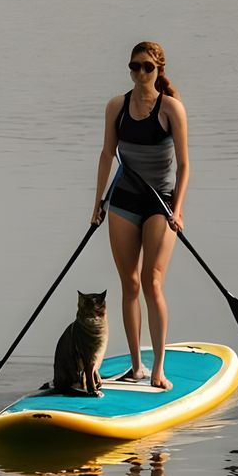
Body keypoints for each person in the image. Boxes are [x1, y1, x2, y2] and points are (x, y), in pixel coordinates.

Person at [92, 41, 189, 389]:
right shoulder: (116, 106)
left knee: (152, 281)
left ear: (159, 70)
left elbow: (185, 166)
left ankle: (158, 369)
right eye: (134, 67)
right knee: (129, 284)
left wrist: (177, 210)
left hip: (161, 203)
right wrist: (97, 204)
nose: (140, 73)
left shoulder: (171, 109)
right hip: (124, 200)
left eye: (147, 67)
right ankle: (136, 367)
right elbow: (106, 156)